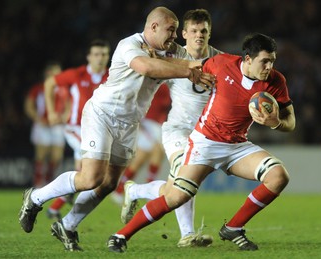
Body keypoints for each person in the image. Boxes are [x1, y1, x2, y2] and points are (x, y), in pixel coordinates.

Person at [18, 6, 215, 252]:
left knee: (110, 183)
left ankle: (67, 225)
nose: (175, 37)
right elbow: (146, 67)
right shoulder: (129, 45)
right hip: (103, 114)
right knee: (91, 178)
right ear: (153, 27)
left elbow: (196, 61)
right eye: (171, 30)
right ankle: (35, 198)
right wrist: (185, 70)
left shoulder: (168, 50)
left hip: (129, 123)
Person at [107, 33, 296, 253]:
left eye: (272, 60)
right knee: (176, 196)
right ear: (248, 59)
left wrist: (276, 123)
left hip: (236, 146)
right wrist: (155, 60)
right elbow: (188, 64)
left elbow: (290, 121)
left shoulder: (276, 81)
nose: (269, 66)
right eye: (264, 61)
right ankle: (120, 235)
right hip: (205, 143)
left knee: (278, 176)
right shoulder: (222, 64)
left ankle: (233, 227)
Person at [119, 8, 222, 248]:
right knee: (186, 177)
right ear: (184, 34)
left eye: (204, 31)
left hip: (205, 136)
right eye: (194, 31)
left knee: (173, 189)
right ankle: (187, 235)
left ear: (209, 34)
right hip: (177, 129)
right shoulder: (170, 59)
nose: (199, 35)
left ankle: (135, 191)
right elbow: (146, 72)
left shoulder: (221, 60)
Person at [43, 39, 111, 220]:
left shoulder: (112, 76)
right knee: (92, 170)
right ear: (89, 56)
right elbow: (50, 83)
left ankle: (54, 207)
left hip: (97, 129)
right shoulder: (77, 74)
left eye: (104, 54)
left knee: (82, 175)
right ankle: (40, 199)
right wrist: (51, 112)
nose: (100, 58)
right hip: (76, 128)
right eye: (96, 54)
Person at [111, 83, 171, 205]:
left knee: (141, 159)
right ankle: (146, 189)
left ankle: (120, 189)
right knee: (156, 151)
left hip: (158, 125)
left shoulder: (169, 86)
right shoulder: (152, 82)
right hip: (146, 122)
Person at [24, 62, 70, 187]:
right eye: (56, 72)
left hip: (57, 126)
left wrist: (64, 118)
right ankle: (38, 182)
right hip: (42, 126)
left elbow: (68, 107)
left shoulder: (64, 89)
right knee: (41, 155)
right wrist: (38, 119)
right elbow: (29, 106)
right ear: (48, 73)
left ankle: (49, 181)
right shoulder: (38, 89)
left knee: (56, 157)